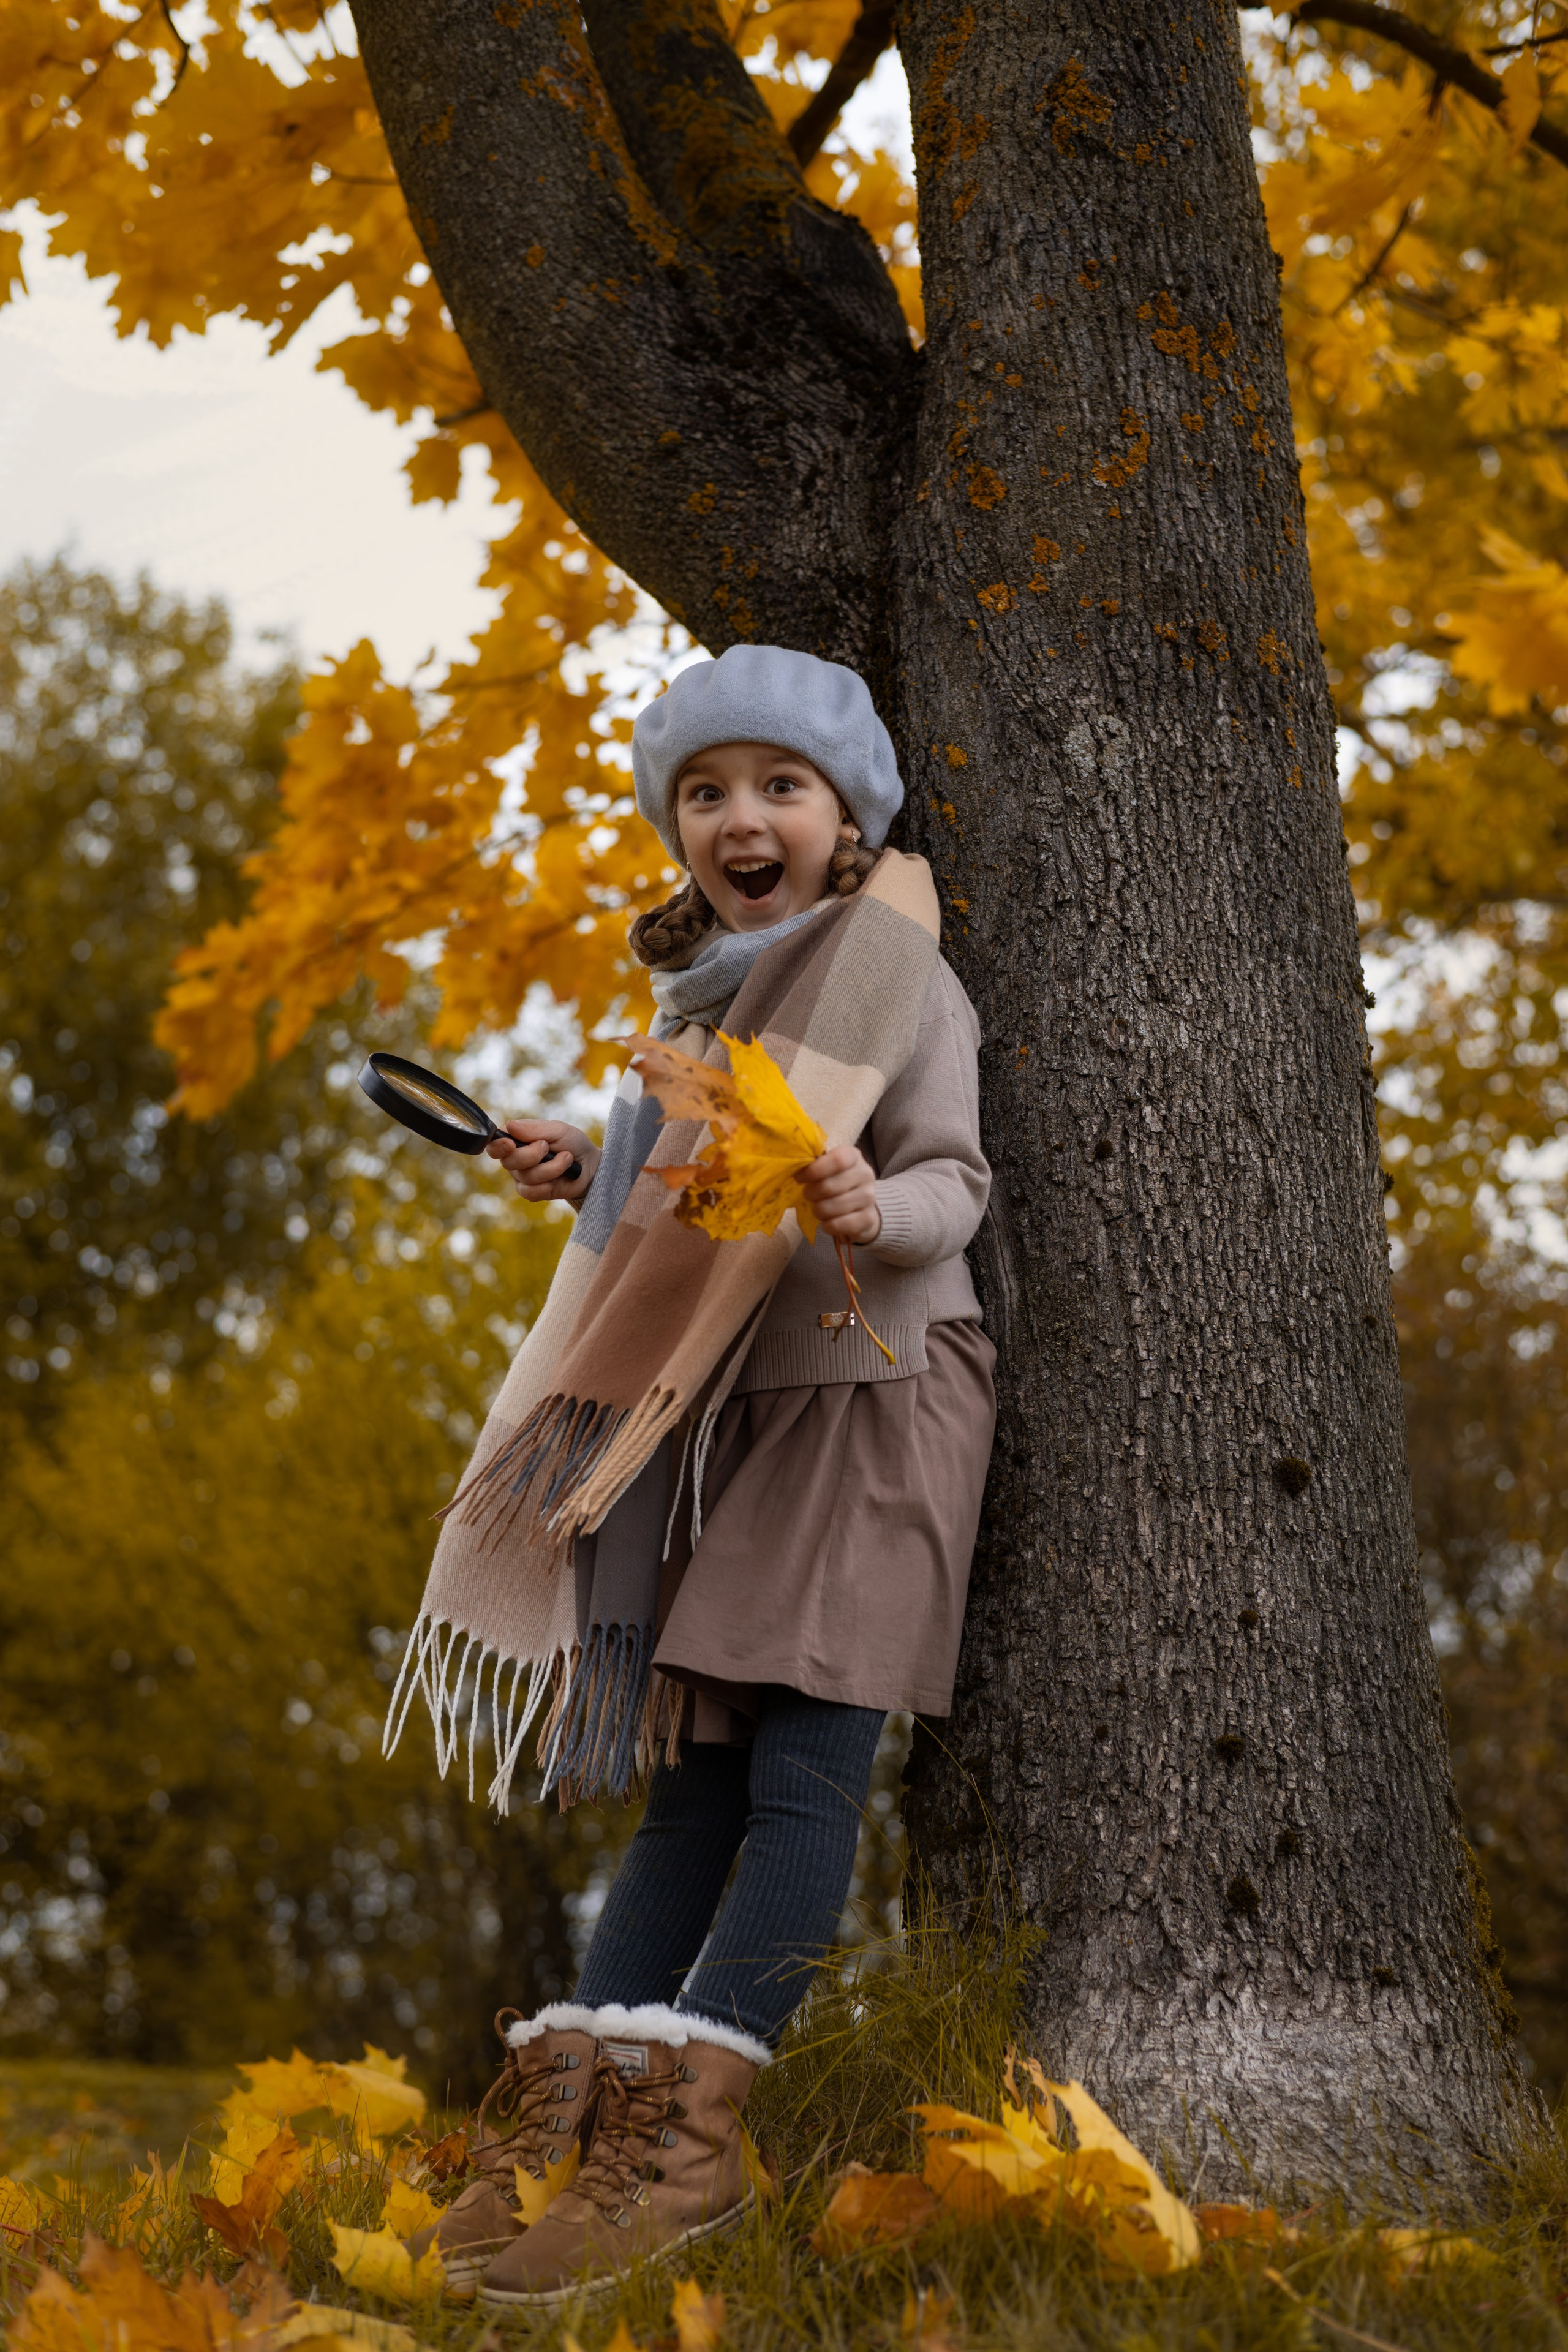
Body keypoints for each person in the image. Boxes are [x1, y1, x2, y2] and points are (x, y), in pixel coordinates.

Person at [397, 644, 995, 2310]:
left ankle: (692, 2150)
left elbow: (954, 1179)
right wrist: (588, 1167)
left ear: (845, 818)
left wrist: (876, 1205)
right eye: (709, 793)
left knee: (805, 1773)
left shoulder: (897, 978)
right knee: (692, 1786)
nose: (744, 818)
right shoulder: (695, 1011)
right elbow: (676, 1214)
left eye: (781, 786)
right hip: (722, 1419)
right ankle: (576, 2127)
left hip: (871, 1397)